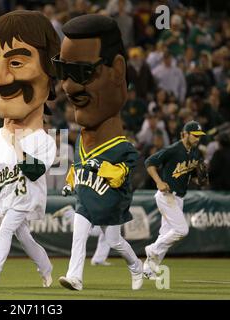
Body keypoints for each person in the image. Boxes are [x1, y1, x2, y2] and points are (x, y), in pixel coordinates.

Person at [52, 14, 143, 291]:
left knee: (115, 241)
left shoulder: (120, 146)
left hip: (110, 204)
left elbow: (127, 170)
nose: (67, 85)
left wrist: (112, 173)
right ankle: (75, 277)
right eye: (62, 70)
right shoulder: (81, 142)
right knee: (78, 235)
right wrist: (71, 184)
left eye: (81, 72)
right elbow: (79, 168)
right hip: (86, 201)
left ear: (117, 70)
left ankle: (137, 267)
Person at [0, 11, 60, 288]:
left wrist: (18, 147)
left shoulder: (44, 139)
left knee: (5, 231)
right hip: (5, 196)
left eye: (15, 62)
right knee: (24, 238)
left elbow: (35, 171)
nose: (0, 78)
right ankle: (46, 267)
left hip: (26, 199)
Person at [143, 120, 207, 278]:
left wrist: (200, 180)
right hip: (167, 196)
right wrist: (159, 181)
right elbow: (149, 162)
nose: (198, 138)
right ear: (184, 134)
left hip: (179, 198)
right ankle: (152, 249)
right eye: (195, 135)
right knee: (181, 230)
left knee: (165, 233)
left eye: (200, 135)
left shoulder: (194, 152)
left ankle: (148, 270)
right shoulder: (173, 149)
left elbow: (191, 176)